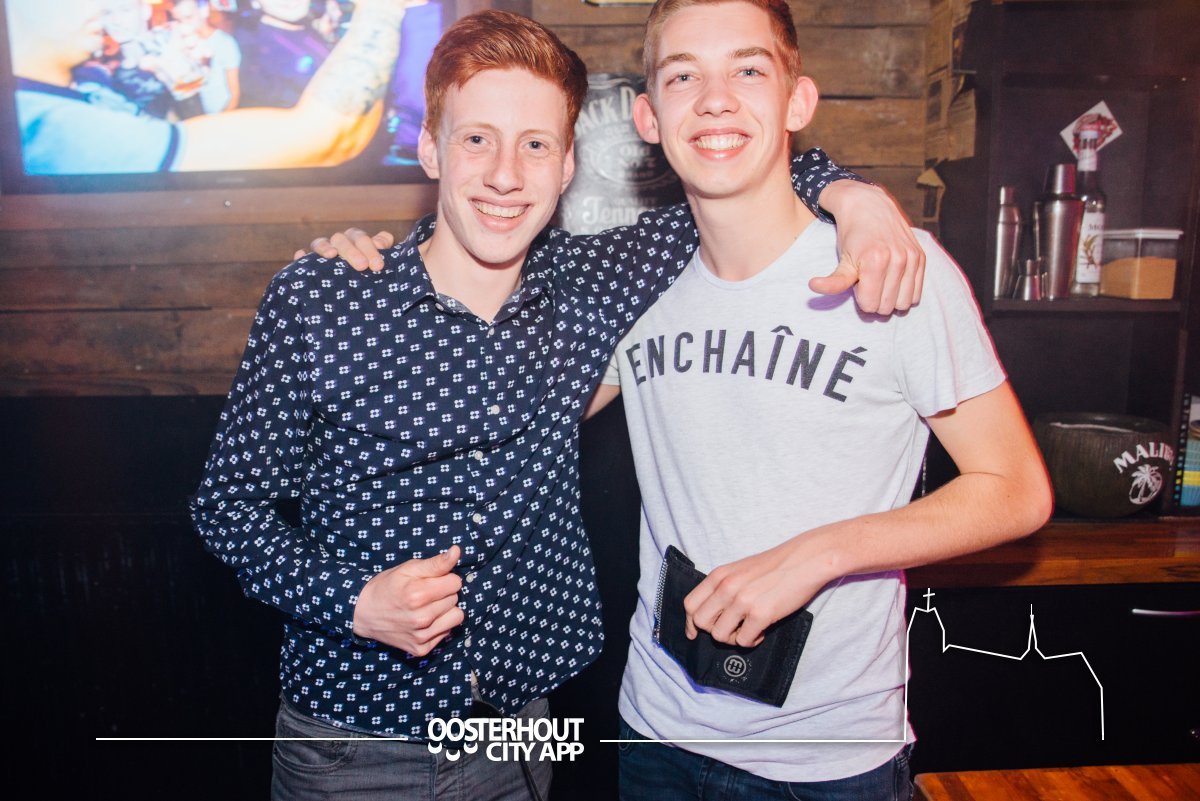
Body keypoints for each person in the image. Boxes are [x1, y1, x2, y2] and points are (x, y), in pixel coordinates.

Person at [193, 9, 923, 801]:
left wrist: (853, 195)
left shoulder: (590, 285)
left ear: (568, 163)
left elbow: (742, 181)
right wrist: (355, 602)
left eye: (535, 145)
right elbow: (227, 509)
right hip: (357, 743)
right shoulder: (323, 299)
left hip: (522, 733)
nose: (506, 175)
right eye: (478, 139)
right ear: (430, 147)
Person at [581, 1, 1051, 798]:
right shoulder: (635, 288)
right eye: (684, 76)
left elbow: (1016, 490)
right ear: (649, 117)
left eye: (748, 69)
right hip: (655, 735)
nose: (716, 99)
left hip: (828, 762)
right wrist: (372, 275)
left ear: (797, 101)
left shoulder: (893, 266)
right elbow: (513, 420)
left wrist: (816, 555)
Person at [7, 0, 411, 175]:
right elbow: (328, 137)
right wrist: (381, 8)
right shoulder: (49, 131)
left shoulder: (69, 92)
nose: (102, 6)